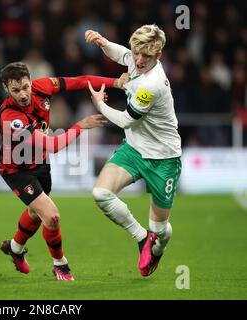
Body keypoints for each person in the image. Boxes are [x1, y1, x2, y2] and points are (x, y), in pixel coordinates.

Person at [0, 61, 126, 281]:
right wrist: (80, 126)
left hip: (40, 164)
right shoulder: (11, 118)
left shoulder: (43, 87)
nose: (23, 94)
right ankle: (61, 265)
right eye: (16, 90)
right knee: (52, 216)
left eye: (25, 87)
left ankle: (16, 248)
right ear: (6, 90)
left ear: (31, 81)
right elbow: (52, 145)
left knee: (36, 212)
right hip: (16, 170)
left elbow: (79, 81)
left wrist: (116, 82)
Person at [85, 24, 182, 277]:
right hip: (134, 149)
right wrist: (103, 42)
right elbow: (122, 55)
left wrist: (98, 104)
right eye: (136, 52)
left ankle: (156, 247)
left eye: (146, 56)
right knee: (101, 193)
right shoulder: (137, 58)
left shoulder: (152, 84)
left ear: (158, 55)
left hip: (163, 158)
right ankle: (142, 239)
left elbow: (127, 121)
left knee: (160, 229)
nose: (138, 60)